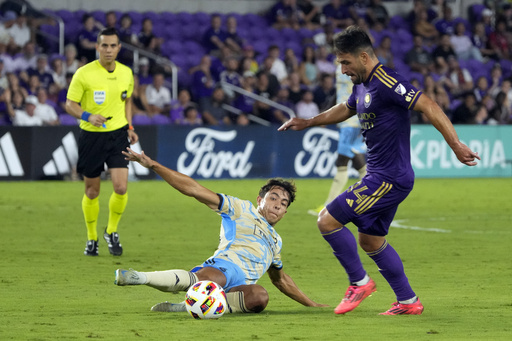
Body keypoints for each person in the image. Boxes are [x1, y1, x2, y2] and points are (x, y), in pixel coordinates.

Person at [278, 25, 480, 316]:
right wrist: (308, 121)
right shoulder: (361, 84)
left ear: (363, 57)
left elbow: (429, 105)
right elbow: (346, 109)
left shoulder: (386, 81)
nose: (343, 69)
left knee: (327, 221)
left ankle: (359, 283)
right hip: (382, 175)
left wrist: (456, 145)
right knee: (370, 240)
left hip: (389, 177)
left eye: (346, 62)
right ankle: (408, 302)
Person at [115, 147, 327, 314]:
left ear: (284, 213)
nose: (278, 204)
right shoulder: (240, 208)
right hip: (223, 268)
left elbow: (280, 279)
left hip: (240, 287)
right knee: (215, 280)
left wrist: (312, 304)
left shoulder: (276, 241)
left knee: (260, 297)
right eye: (273, 197)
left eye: (284, 203)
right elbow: (194, 189)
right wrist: (153, 165)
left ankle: (194, 304)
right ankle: (139, 277)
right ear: (260, 200)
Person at [65, 27, 138, 257]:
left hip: (118, 135)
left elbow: (127, 101)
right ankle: (91, 238)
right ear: (97, 47)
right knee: (92, 191)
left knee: (121, 187)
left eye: (112, 46)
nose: (108, 50)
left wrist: (130, 126)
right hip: (91, 136)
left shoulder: (126, 73)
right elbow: (70, 104)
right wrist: (88, 116)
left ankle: (111, 231)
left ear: (119, 48)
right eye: (104, 45)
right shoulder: (84, 73)